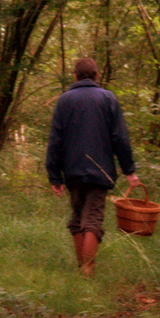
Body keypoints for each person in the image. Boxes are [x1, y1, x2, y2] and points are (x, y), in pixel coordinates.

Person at [44, 56, 139, 276]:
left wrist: (54, 176)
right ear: (97, 75)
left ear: (75, 76)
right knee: (93, 220)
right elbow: (120, 139)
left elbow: (55, 140)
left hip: (72, 171)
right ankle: (88, 271)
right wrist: (129, 171)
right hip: (100, 171)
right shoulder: (108, 98)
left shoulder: (64, 101)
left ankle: (82, 269)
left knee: (78, 219)